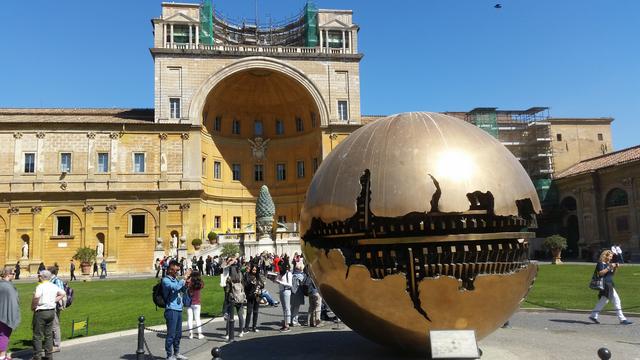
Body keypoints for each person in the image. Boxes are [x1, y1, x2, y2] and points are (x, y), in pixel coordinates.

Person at [589, 250, 633, 325]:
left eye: (611, 257)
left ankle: (593, 315)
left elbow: (611, 274)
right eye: (609, 256)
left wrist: (615, 268)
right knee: (616, 300)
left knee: (604, 300)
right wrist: (609, 267)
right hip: (605, 284)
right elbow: (600, 273)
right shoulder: (600, 263)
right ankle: (622, 319)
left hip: (609, 283)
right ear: (605, 256)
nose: (611, 258)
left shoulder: (608, 264)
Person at [31, 270, 65, 360]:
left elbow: (37, 296)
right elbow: (63, 293)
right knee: (48, 335)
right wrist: (54, 300)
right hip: (51, 311)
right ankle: (48, 356)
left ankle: (37, 356)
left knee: (37, 335)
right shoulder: (53, 286)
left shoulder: (40, 286)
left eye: (39, 276)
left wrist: (33, 306)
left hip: (41, 312)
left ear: (42, 277)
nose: (38, 277)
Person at [161, 260, 189, 360]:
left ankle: (176, 353)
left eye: (178, 269)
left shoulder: (176, 279)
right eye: (175, 269)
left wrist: (186, 284)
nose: (177, 271)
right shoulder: (165, 280)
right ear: (170, 269)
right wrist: (184, 278)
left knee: (178, 334)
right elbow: (175, 287)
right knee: (171, 334)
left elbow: (181, 290)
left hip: (178, 309)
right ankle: (169, 355)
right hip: (171, 309)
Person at [0, 267, 20, 360]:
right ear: (8, 275)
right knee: (4, 335)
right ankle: (2, 356)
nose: (14, 275)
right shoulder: (8, 287)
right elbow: (14, 301)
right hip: (5, 315)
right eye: (13, 273)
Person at [224, 266, 246, 339]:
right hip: (240, 298)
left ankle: (227, 333)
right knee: (240, 315)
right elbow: (243, 287)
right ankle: (241, 331)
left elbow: (227, 290)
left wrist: (226, 299)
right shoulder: (240, 277)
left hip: (232, 298)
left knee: (229, 316)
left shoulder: (229, 279)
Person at [243, 264, 264, 332]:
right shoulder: (248, 276)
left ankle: (254, 327)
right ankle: (246, 327)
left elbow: (262, 284)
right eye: (253, 270)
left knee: (256, 312)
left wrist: (261, 285)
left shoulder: (258, 276)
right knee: (249, 312)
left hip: (257, 296)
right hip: (250, 296)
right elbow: (245, 285)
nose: (254, 271)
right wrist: (251, 283)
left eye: (255, 270)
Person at [49, 266, 65, 353]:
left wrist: (53, 299)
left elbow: (62, 293)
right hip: (50, 306)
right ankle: (52, 343)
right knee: (52, 325)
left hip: (55, 306)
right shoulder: (50, 281)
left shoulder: (56, 281)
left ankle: (56, 345)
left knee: (55, 326)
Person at [274, 258, 292, 332]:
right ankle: (285, 323)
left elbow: (290, 285)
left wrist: (280, 282)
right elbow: (277, 281)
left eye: (281, 266)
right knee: (284, 308)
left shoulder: (288, 274)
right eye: (279, 266)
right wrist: (274, 279)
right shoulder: (280, 273)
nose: (280, 268)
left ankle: (287, 325)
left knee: (287, 308)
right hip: (281, 291)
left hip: (286, 291)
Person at [186, 270, 204, 340]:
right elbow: (202, 284)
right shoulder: (200, 283)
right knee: (197, 319)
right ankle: (199, 333)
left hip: (189, 303)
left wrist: (188, 277)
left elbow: (186, 284)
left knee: (189, 318)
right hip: (197, 303)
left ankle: (190, 334)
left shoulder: (189, 283)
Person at [290, 260, 306, 326]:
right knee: (296, 308)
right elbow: (303, 283)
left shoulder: (293, 275)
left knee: (292, 307)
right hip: (298, 293)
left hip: (292, 293)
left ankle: (291, 320)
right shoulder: (300, 276)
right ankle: (294, 321)